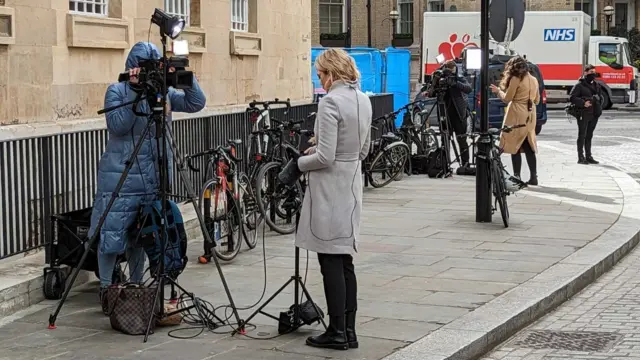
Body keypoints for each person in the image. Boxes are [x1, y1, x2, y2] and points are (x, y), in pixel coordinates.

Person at [88, 42, 206, 314]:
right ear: (132, 67)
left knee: (140, 236)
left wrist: (184, 76)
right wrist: (137, 91)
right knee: (111, 235)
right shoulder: (117, 91)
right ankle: (107, 290)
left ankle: (137, 288)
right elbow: (118, 125)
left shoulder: (162, 94)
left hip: (152, 179)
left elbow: (196, 102)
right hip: (120, 178)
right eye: (143, 66)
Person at [293, 48, 372, 351]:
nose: (320, 80)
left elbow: (325, 157)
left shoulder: (330, 103)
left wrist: (299, 163)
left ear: (330, 73)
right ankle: (349, 330)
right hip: (352, 186)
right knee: (345, 260)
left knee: (329, 260)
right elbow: (363, 150)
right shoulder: (363, 100)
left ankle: (336, 330)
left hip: (329, 190)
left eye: (320, 74)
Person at [490, 56, 540, 186]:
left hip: (517, 112)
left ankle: (516, 176)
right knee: (529, 145)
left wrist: (498, 91)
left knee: (514, 145)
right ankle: (533, 176)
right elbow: (537, 100)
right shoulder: (534, 79)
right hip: (531, 113)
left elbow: (507, 98)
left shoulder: (516, 78)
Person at [429, 60, 473, 166]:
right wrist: (436, 81)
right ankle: (445, 164)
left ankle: (465, 164)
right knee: (445, 140)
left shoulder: (459, 78)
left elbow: (468, 88)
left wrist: (455, 83)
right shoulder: (440, 78)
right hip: (444, 113)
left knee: (462, 139)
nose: (451, 73)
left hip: (459, 114)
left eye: (453, 70)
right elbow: (431, 93)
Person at [569, 65, 603, 165]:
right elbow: (572, 98)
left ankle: (589, 156)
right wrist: (583, 103)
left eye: (594, 72)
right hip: (583, 113)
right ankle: (580, 157)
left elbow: (600, 97)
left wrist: (598, 102)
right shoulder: (579, 85)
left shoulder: (597, 85)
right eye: (591, 72)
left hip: (594, 113)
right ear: (585, 73)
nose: (593, 74)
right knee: (582, 135)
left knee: (589, 135)